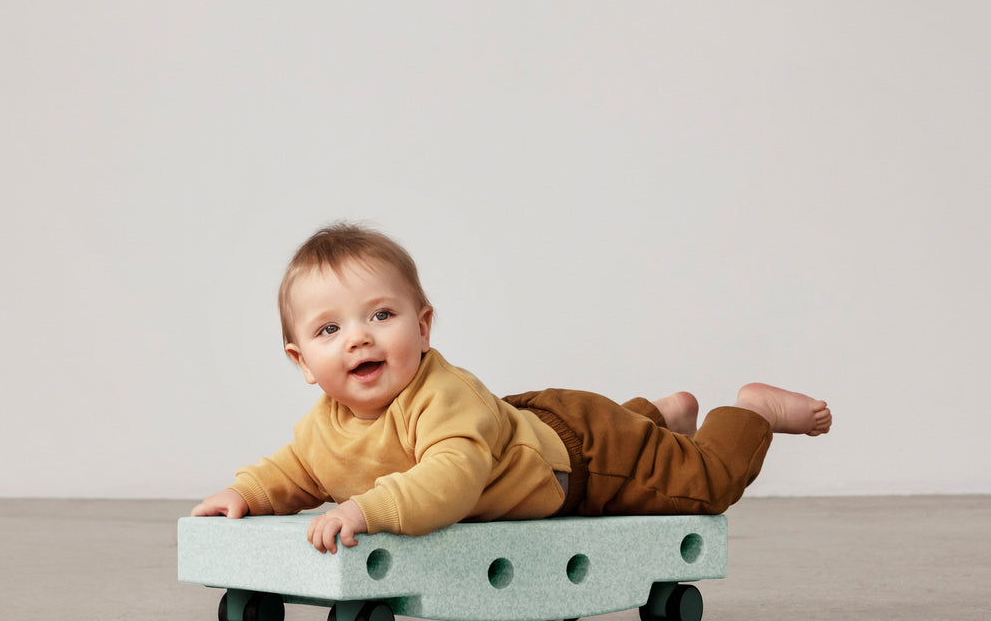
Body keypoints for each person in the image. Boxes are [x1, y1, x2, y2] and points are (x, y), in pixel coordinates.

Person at [192, 223, 832, 554]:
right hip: (523, 427)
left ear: (423, 326)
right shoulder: (325, 424)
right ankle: (660, 416)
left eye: (380, 315)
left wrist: (367, 510)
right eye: (330, 329)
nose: (359, 338)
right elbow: (297, 469)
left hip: (581, 460)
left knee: (702, 485)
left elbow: (451, 480)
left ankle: (747, 412)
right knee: (620, 434)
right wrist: (244, 493)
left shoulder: (440, 399)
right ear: (303, 361)